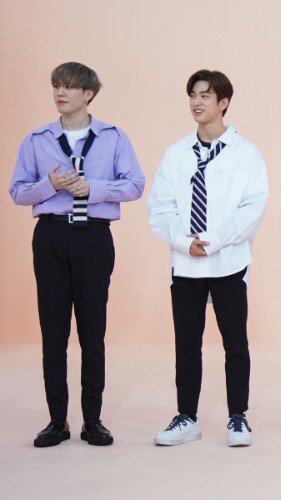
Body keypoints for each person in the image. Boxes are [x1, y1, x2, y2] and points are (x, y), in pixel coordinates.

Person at [9, 61, 145, 447]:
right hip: (50, 237)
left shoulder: (113, 138)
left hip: (93, 239)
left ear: (88, 94)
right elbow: (17, 191)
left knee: (92, 331)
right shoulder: (36, 139)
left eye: (69, 86)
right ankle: (57, 421)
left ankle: (92, 420)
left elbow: (135, 184)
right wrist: (49, 185)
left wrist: (93, 188)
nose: (60, 93)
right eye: (56, 85)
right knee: (53, 333)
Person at [147, 69, 269, 447]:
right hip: (185, 262)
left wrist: (212, 241)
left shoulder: (246, 153)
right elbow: (160, 206)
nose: (197, 102)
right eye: (192, 95)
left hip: (228, 260)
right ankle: (187, 416)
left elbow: (252, 209)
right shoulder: (176, 153)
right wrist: (184, 242)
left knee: (235, 342)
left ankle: (238, 417)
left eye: (205, 96)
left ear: (223, 103)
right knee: (187, 343)